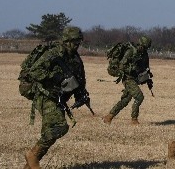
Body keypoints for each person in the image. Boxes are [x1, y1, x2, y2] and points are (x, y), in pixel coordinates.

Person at [22, 26, 90, 169]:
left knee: (49, 135)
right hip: (45, 95)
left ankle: (30, 164)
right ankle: (32, 156)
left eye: (79, 41)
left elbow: (79, 80)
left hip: (58, 98)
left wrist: (81, 94)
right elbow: (34, 71)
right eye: (74, 41)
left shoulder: (76, 59)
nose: (77, 44)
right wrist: (56, 77)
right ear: (66, 41)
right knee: (60, 127)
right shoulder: (53, 54)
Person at [103, 36, 153, 125]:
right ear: (140, 44)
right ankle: (134, 119)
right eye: (143, 46)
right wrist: (133, 68)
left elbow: (146, 67)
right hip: (128, 78)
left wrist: (147, 78)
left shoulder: (144, 54)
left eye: (146, 47)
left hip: (135, 79)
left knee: (125, 100)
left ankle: (109, 117)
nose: (143, 48)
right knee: (139, 97)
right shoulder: (131, 51)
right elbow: (122, 66)